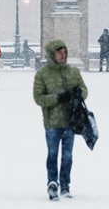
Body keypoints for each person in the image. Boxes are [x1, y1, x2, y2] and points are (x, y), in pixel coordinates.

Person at [33, 39, 88, 200]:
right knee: (52, 154)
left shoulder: (73, 72)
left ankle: (65, 185)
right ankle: (52, 182)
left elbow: (84, 90)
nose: (63, 56)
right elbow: (38, 98)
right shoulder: (42, 74)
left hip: (71, 120)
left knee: (67, 156)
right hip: (52, 121)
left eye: (64, 53)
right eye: (59, 53)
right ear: (52, 54)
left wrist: (78, 94)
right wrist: (57, 98)